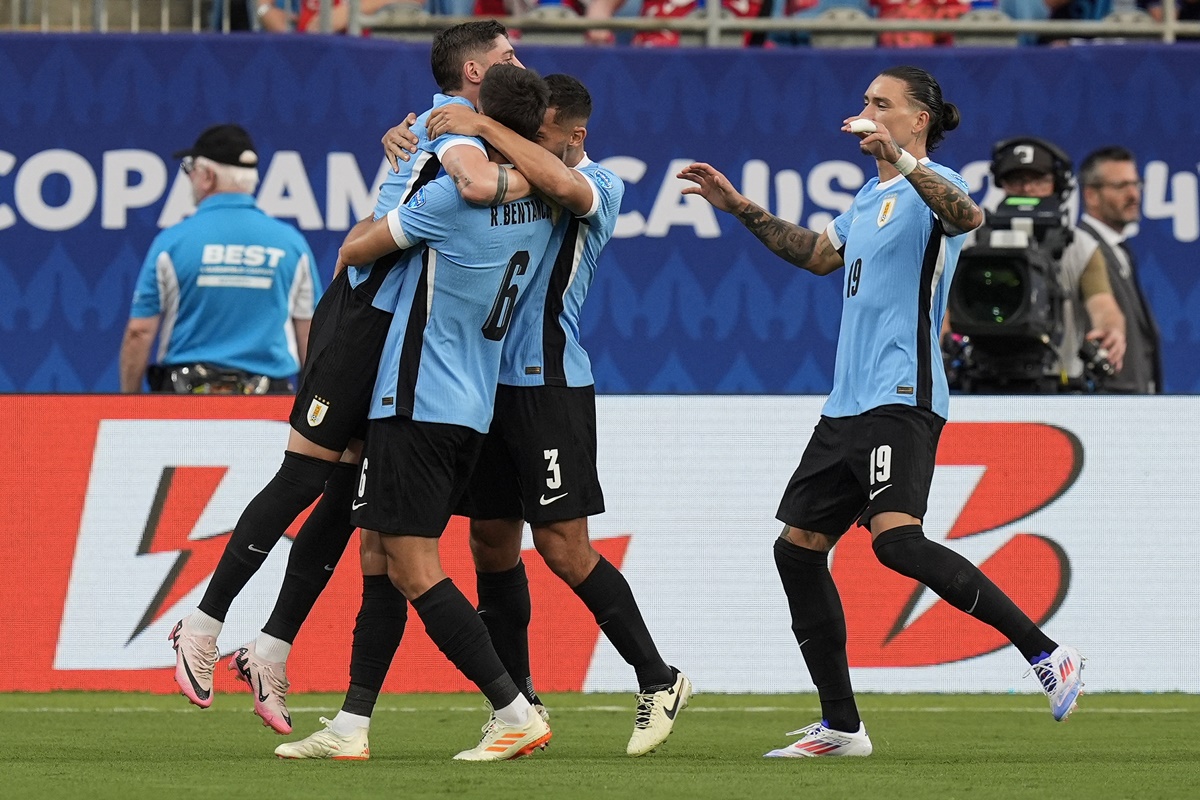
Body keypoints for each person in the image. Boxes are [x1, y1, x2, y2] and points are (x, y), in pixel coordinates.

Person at [678, 65, 1084, 758]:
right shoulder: (868, 198)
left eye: (881, 103)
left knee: (896, 541)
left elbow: (969, 217)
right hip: (847, 403)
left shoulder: (936, 188)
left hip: (903, 394)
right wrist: (740, 207)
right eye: (865, 101)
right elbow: (814, 255)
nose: (865, 111)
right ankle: (842, 727)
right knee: (796, 551)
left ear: (918, 118)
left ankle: (1047, 652)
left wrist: (898, 158)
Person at [167, 20, 530, 735]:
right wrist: (534, 174)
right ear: (474, 74)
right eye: (507, 56)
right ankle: (202, 624)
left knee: (343, 498)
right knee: (303, 478)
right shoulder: (451, 126)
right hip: (362, 313)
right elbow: (477, 183)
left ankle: (269, 647)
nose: (519, 62)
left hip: (398, 331)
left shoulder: (457, 126)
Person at [317, 63, 556, 762]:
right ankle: (351, 725)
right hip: (472, 403)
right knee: (382, 552)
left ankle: (513, 709)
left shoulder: (452, 200)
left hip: (416, 396)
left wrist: (400, 183)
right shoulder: (549, 199)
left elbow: (357, 248)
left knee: (415, 566)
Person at [120, 124, 320, 395]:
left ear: (207, 176)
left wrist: (128, 403)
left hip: (184, 401)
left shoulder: (172, 243)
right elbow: (311, 336)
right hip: (268, 402)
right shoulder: (291, 244)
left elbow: (139, 332)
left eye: (189, 169)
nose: (189, 178)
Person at [982, 136, 1126, 389]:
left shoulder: (1079, 246)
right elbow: (947, 311)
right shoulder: (975, 242)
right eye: (1016, 180)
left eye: (1038, 179)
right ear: (1001, 184)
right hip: (983, 379)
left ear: (1056, 185)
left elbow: (1103, 305)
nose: (1027, 189)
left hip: (1058, 383)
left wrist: (1111, 330)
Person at [1078, 146, 1162, 394]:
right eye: (1121, 186)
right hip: (1104, 402)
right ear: (1092, 195)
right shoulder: (1078, 248)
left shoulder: (1122, 250)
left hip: (1134, 401)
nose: (1133, 194)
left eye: (1136, 184)